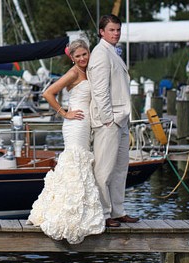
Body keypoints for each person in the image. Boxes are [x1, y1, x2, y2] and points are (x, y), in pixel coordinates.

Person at [27, 39, 104, 244]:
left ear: (89, 52)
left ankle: (81, 208)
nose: (82, 59)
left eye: (84, 54)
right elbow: (47, 93)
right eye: (77, 56)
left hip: (86, 123)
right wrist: (64, 113)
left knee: (81, 164)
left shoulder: (91, 71)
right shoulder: (73, 73)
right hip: (75, 123)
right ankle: (68, 212)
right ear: (71, 57)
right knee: (74, 163)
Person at [87, 14, 139, 227]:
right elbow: (100, 91)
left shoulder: (113, 53)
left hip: (121, 119)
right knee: (104, 169)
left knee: (120, 169)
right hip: (109, 121)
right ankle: (105, 213)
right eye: (111, 30)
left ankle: (118, 211)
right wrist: (109, 119)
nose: (116, 33)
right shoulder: (100, 54)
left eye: (118, 29)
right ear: (101, 32)